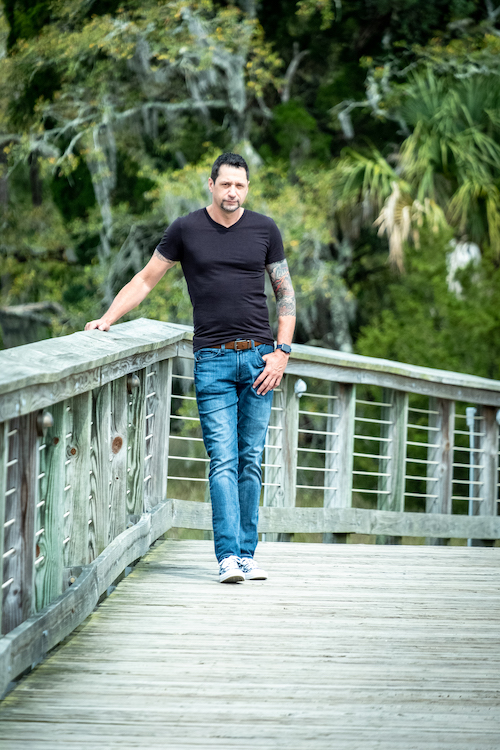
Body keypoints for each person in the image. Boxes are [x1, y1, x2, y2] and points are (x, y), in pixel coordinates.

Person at [85, 152, 296, 583]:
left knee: (250, 461)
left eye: (240, 185)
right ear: (211, 184)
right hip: (212, 361)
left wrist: (282, 353)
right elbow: (146, 279)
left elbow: (286, 294)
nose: (233, 192)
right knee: (223, 460)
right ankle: (227, 558)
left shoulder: (265, 229)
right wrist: (107, 319)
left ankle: (247, 554)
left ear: (247, 188)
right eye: (226, 184)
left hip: (260, 360)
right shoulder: (186, 229)